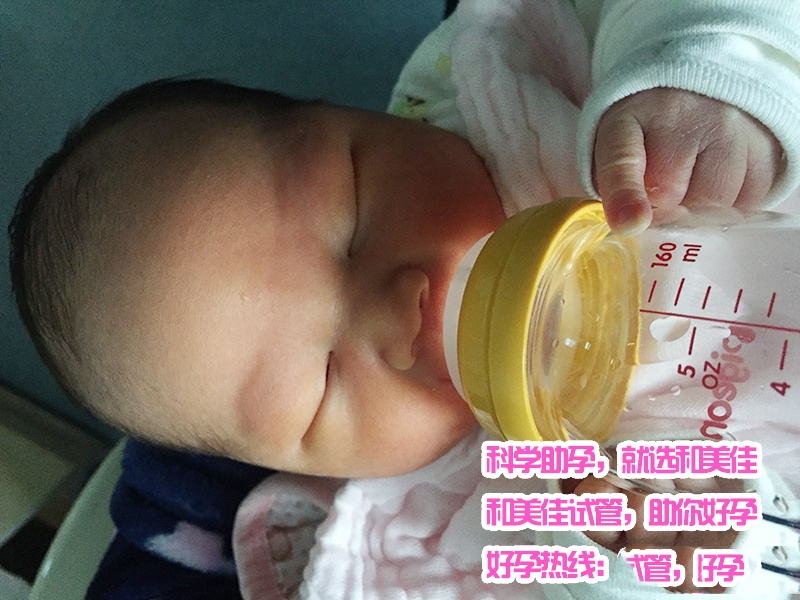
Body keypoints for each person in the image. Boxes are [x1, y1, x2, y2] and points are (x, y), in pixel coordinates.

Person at [7, 0, 800, 597]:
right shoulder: (438, 534)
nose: (400, 311)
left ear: (363, 119)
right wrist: (641, 563)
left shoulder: (510, 85)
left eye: (353, 218)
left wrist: (708, 77)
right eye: (320, 383)